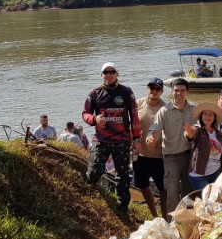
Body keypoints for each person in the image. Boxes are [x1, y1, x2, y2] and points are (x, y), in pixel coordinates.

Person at [82, 62, 142, 214]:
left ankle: (122, 208)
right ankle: (87, 197)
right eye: (106, 72)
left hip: (122, 140)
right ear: (101, 75)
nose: (109, 75)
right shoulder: (94, 93)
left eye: (112, 72)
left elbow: (134, 115)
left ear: (117, 74)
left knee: (122, 176)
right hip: (101, 139)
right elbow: (85, 114)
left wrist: (136, 138)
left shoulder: (127, 92)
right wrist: (95, 119)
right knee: (95, 170)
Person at [148, 78, 195, 217]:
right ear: (171, 91)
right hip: (171, 157)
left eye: (182, 90)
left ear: (187, 92)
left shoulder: (194, 109)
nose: (179, 93)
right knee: (172, 192)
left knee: (189, 191)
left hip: (190, 156)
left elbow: (204, 127)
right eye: (176, 90)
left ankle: (189, 220)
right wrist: (150, 139)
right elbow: (153, 130)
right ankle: (173, 222)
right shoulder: (164, 111)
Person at [135, 77, 168, 218]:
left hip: (159, 155)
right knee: (143, 185)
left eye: (157, 89)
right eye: (151, 88)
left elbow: (169, 130)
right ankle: (155, 215)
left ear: (161, 91)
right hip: (140, 154)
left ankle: (166, 217)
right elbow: (129, 124)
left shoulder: (165, 108)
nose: (154, 91)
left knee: (163, 188)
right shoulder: (138, 104)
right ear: (147, 88)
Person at [186, 102, 222, 191]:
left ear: (214, 117)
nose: (207, 117)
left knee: (214, 199)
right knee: (208, 199)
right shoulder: (198, 129)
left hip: (215, 172)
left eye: (210, 114)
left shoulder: (218, 133)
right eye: (205, 114)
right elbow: (191, 136)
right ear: (201, 116)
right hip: (198, 175)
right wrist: (189, 134)